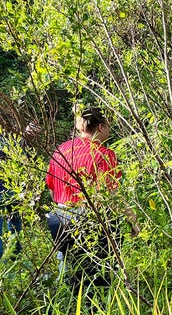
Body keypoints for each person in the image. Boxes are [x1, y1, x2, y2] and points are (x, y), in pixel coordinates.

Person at [45, 106, 139, 292]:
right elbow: (112, 196)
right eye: (109, 126)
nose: (110, 131)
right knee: (99, 278)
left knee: (71, 274)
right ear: (101, 127)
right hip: (89, 221)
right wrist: (132, 220)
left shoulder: (61, 150)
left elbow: (51, 189)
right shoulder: (104, 154)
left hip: (59, 219)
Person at [0, 134, 22, 259]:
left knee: (14, 223)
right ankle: (15, 257)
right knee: (14, 224)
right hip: (12, 188)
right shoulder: (8, 139)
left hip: (11, 189)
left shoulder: (7, 139)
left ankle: (13, 258)